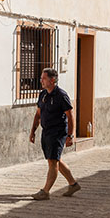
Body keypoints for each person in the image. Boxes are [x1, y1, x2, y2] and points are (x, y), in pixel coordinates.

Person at [29, 68, 80, 199]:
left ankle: (45, 191)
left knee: (53, 161)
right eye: (41, 78)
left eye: (43, 78)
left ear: (52, 80)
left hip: (58, 132)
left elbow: (70, 115)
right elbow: (38, 113)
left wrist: (70, 135)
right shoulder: (43, 94)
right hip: (46, 132)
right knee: (55, 159)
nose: (41, 80)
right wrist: (33, 131)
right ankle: (73, 184)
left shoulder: (61, 95)